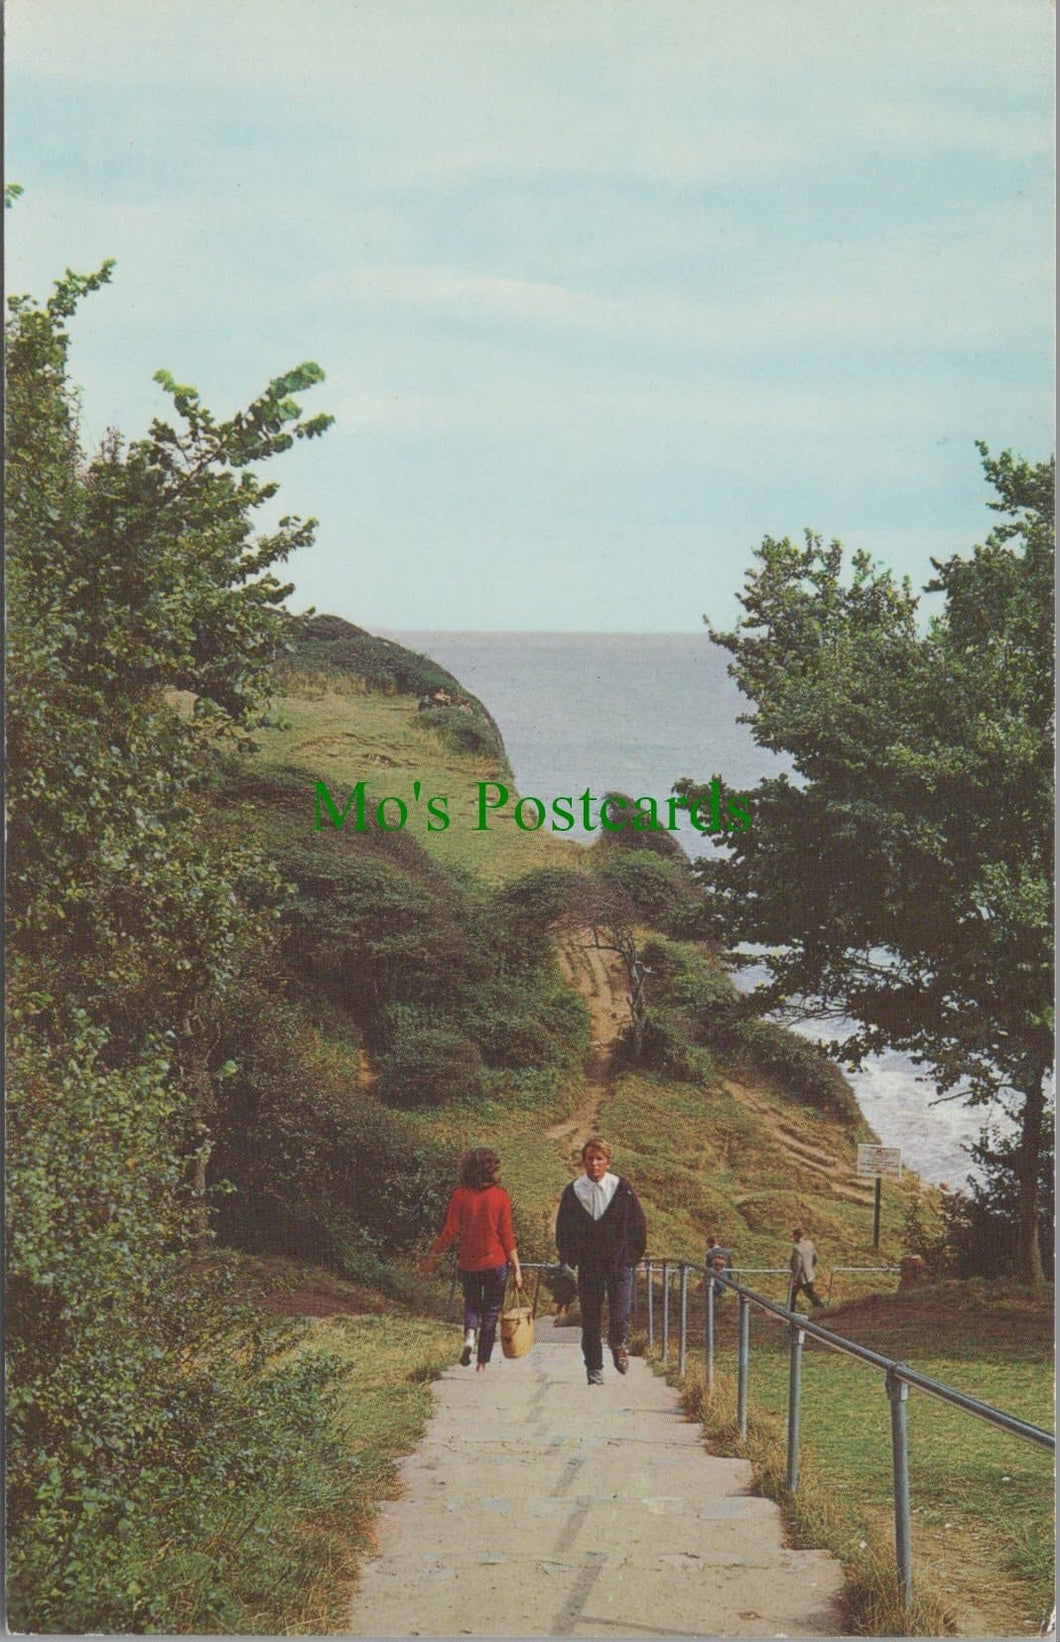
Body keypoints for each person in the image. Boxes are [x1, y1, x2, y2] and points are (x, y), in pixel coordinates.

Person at [555, 1137, 647, 1386]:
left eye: (599, 1159)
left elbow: (638, 1225)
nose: (594, 1164)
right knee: (591, 1320)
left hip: (618, 1264)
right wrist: (570, 1257)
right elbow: (563, 1228)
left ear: (608, 1162)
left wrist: (630, 1256)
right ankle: (594, 1368)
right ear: (583, 1161)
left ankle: (617, 1342)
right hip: (589, 1266)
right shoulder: (574, 1191)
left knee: (619, 1313)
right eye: (590, 1159)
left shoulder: (622, 1188)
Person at [421, 1148, 522, 1370]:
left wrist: (433, 1255)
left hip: (468, 1263)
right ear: (492, 1169)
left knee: (472, 1303)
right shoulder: (501, 1196)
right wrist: (516, 1267)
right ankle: (482, 1361)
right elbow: (506, 1234)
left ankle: (469, 1336)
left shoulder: (459, 1195)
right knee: (492, 1310)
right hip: (495, 1262)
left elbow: (450, 1231)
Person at [788, 1227, 824, 1311]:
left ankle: (790, 1312)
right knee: (810, 1294)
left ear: (796, 1236)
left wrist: (795, 1278)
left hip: (800, 1277)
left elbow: (798, 1264)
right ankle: (821, 1308)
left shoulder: (797, 1248)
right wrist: (810, 1267)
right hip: (809, 1275)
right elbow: (816, 1257)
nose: (793, 1238)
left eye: (793, 1236)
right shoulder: (809, 1244)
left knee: (793, 1294)